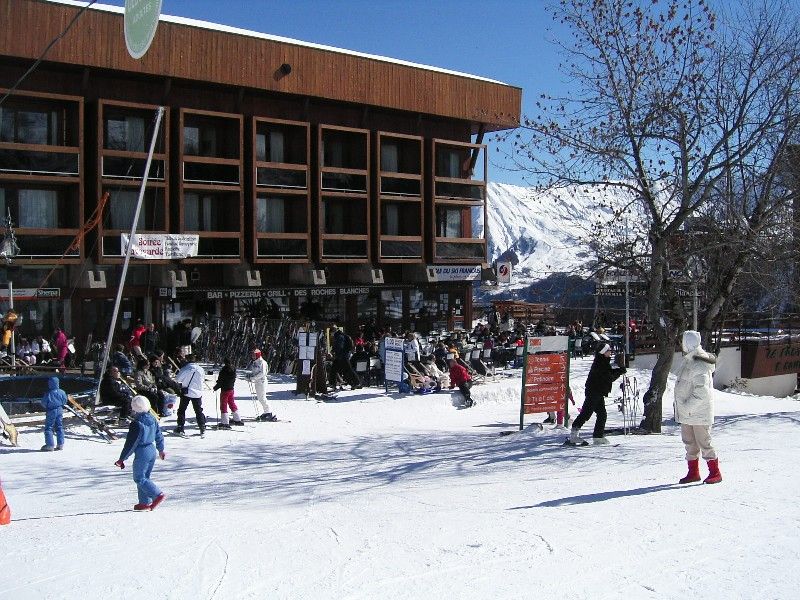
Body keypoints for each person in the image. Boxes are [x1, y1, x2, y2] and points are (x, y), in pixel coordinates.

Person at [674, 330, 721, 484]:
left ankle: (715, 472)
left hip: (698, 412)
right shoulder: (689, 360)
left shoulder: (699, 364)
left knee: (704, 442)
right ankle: (693, 472)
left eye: (683, 341)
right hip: (687, 413)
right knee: (689, 443)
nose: (681, 344)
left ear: (688, 343)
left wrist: (688, 407)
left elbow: (702, 392)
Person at [114, 395, 166, 511]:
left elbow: (131, 443)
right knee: (145, 477)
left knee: (139, 478)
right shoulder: (152, 419)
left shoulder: (136, 424)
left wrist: (122, 459)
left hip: (142, 451)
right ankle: (144, 503)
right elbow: (159, 435)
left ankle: (157, 495)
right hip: (151, 450)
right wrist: (161, 449)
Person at [568, 343, 625, 445]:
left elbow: (608, 374)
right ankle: (574, 436)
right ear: (603, 352)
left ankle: (598, 436)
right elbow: (608, 377)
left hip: (598, 392)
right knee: (586, 413)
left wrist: (619, 371)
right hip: (594, 392)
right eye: (608, 350)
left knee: (602, 414)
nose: (610, 352)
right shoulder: (600, 363)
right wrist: (620, 371)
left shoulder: (602, 361)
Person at [174, 354, 207, 435]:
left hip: (187, 392)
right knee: (198, 410)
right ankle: (202, 425)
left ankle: (180, 427)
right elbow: (202, 380)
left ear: (187, 360)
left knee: (182, 410)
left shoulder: (186, 368)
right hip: (198, 393)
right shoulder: (201, 369)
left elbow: (178, 379)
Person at [213, 357, 243, 428]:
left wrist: (216, 387)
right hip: (231, 389)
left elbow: (221, 381)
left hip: (225, 390)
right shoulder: (233, 368)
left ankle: (225, 422)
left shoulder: (224, 370)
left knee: (223, 405)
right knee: (232, 403)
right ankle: (237, 419)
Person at [247, 348, 276, 421]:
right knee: (260, 398)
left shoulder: (262, 362)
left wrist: (253, 378)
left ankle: (268, 413)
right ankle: (266, 412)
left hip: (262, 382)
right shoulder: (255, 362)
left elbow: (262, 373)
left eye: (254, 355)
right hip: (257, 382)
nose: (253, 356)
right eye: (252, 355)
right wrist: (250, 376)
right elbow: (255, 371)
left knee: (262, 398)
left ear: (257, 355)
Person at [40, 376, 68, 451]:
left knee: (49, 427)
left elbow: (43, 403)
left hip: (51, 410)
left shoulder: (48, 393)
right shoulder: (62, 392)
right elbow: (65, 401)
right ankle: (60, 444)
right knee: (59, 426)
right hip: (59, 410)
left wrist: (47, 406)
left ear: (50, 384)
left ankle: (50, 445)